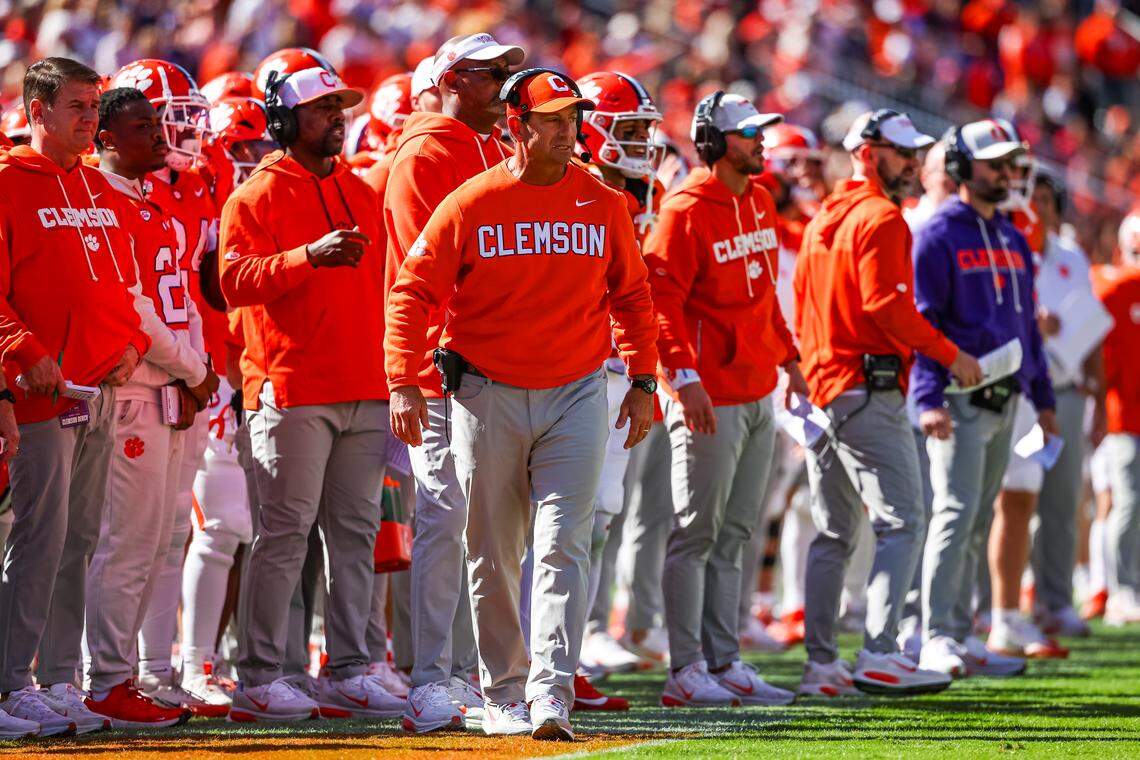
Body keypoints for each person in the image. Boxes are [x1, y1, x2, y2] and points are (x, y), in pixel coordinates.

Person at [386, 68, 658, 741]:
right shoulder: (473, 200)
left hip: (577, 392)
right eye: (554, 118)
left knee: (566, 541)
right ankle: (504, 689)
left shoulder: (602, 202)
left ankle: (551, 693)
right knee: (494, 552)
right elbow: (411, 291)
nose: (568, 130)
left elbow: (632, 295)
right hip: (486, 394)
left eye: (573, 118)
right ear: (519, 124)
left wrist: (646, 381)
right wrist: (403, 380)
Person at [218, 66, 399, 721]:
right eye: (321, 108)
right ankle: (262, 674)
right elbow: (233, 282)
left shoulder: (363, 188)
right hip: (292, 388)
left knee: (354, 535)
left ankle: (350, 667)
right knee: (284, 536)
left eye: (338, 105)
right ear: (284, 119)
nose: (336, 116)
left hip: (365, 388)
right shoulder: (255, 195)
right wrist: (307, 257)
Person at [795, 109, 984, 697]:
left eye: (914, 153)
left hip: (824, 387)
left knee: (833, 534)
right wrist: (950, 353)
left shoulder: (826, 214)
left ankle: (822, 665)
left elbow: (804, 300)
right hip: (865, 387)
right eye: (902, 153)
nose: (913, 163)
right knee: (904, 521)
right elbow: (887, 308)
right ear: (867, 152)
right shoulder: (881, 217)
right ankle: (879, 652)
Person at [0, 57, 151, 736]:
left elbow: (122, 286)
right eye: (77, 107)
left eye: (94, 107)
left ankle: (58, 679)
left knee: (78, 541)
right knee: (38, 540)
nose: (91, 119)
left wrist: (129, 349)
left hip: (97, 389)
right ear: (36, 113)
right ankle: (10, 684)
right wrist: (24, 354)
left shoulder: (94, 187)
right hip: (38, 394)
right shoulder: (7, 183)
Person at [381, 33, 523, 735]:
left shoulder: (495, 152)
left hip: (499, 364)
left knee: (490, 527)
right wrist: (409, 374)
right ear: (455, 79)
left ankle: (472, 670)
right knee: (442, 519)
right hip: (445, 368)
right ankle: (429, 678)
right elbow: (423, 271)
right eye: (495, 74)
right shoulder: (426, 152)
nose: (506, 86)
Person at [644, 91, 799, 709]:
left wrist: (789, 355)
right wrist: (683, 382)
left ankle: (725, 657)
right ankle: (685, 668)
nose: (760, 141)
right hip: (710, 394)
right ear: (714, 142)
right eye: (747, 133)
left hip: (760, 388)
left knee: (735, 532)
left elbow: (764, 297)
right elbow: (660, 308)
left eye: (760, 132)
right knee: (695, 533)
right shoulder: (682, 210)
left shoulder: (759, 200)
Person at [915, 119, 1057, 678]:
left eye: (1009, 163)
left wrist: (1043, 398)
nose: (1005, 173)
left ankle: (964, 630)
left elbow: (1026, 326)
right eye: (993, 162)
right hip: (958, 395)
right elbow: (925, 323)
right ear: (959, 167)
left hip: (1007, 398)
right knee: (953, 514)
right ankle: (936, 636)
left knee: (977, 519)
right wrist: (928, 396)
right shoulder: (938, 232)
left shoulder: (1014, 235)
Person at [573, 68, 665, 700]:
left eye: (642, 129)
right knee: (559, 520)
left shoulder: (631, 195)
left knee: (599, 515)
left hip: (615, 371)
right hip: (570, 370)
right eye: (627, 128)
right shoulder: (570, 190)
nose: (640, 141)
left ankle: (571, 647)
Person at [989, 168, 1099, 656]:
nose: (1040, 208)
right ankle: (996, 603)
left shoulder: (1071, 256)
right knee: (1008, 496)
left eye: (1047, 200)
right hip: (1020, 392)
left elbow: (1091, 317)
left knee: (1060, 498)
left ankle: (1055, 600)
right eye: (1031, 199)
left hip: (1064, 391)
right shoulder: (1006, 248)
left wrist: (1090, 374)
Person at [1096, 211, 1140, 626]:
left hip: (1126, 414)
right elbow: (1099, 357)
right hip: (1124, 416)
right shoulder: (1117, 288)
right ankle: (1120, 590)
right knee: (1126, 505)